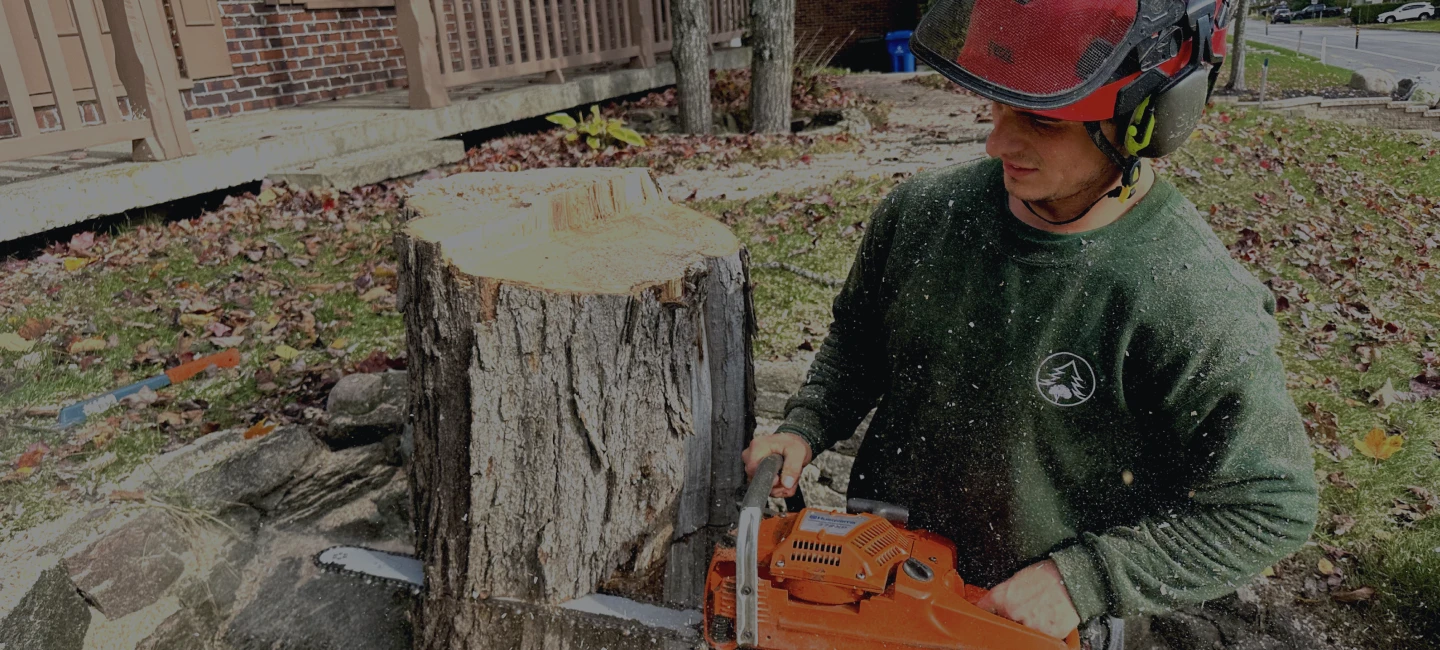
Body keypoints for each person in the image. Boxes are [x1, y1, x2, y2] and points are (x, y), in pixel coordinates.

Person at [741, 0, 1319, 648]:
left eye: (1041, 120)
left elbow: (1271, 503)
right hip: (883, 582)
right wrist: (806, 425)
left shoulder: (1189, 300)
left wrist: (1084, 580)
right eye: (997, 105)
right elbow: (858, 342)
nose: (997, 142)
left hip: (1038, 622)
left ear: (1143, 121)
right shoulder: (920, 216)